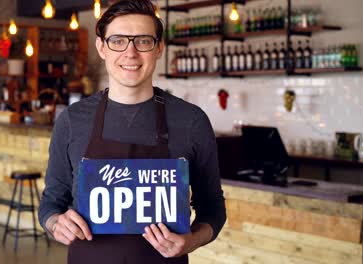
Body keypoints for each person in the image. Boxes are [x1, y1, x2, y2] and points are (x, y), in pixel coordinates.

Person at [38, 1, 226, 263]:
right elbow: (50, 204)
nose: (130, 53)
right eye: (117, 41)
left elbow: (213, 209)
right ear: (101, 47)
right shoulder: (71, 120)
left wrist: (191, 241)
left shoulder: (192, 121)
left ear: (159, 48)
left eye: (143, 41)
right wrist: (56, 223)